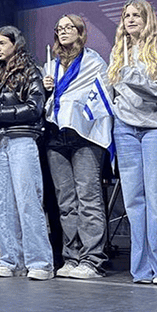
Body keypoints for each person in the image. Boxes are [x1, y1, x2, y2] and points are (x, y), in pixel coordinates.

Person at [107, 0, 157, 285]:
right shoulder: (118, 52)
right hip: (124, 129)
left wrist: (132, 77)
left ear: (148, 18)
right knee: (134, 202)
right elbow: (111, 90)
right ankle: (142, 270)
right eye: (126, 15)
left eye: (136, 15)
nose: (130, 19)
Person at [41, 15, 113, 279]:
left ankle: (92, 259)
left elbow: (103, 96)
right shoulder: (50, 66)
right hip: (56, 136)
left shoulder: (94, 62)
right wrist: (46, 89)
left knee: (89, 199)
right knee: (66, 202)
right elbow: (45, 103)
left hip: (85, 135)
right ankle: (71, 257)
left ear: (81, 32)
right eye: (59, 28)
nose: (63, 32)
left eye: (69, 27)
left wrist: (77, 106)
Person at [0, 26, 55, 281]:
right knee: (2, 204)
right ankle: (10, 258)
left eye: (2, 43)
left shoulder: (30, 71)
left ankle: (41, 262)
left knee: (28, 201)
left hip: (22, 139)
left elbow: (35, 108)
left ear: (16, 43)